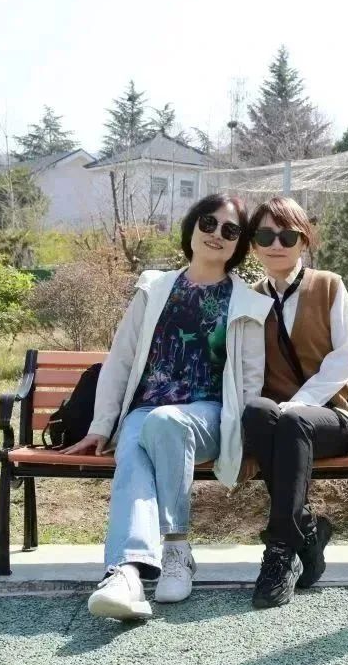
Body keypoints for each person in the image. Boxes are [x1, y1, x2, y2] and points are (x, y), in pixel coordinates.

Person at [61, 194, 272, 620]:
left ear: (238, 244)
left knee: (164, 422)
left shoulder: (248, 304)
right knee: (135, 445)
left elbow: (250, 380)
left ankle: (175, 548)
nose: (216, 234)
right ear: (192, 227)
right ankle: (126, 573)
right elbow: (121, 359)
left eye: (230, 230)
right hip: (146, 412)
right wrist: (101, 426)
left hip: (209, 417)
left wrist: (246, 441)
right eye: (208, 223)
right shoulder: (154, 288)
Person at [240, 196, 348, 609]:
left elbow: (345, 357)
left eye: (287, 236)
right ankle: (307, 530)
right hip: (276, 423)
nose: (276, 244)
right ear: (253, 245)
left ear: (304, 241)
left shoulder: (328, 286)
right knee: (257, 411)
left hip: (331, 415)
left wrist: (301, 402)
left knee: (294, 422)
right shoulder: (251, 299)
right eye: (265, 236)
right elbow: (246, 368)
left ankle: (279, 551)